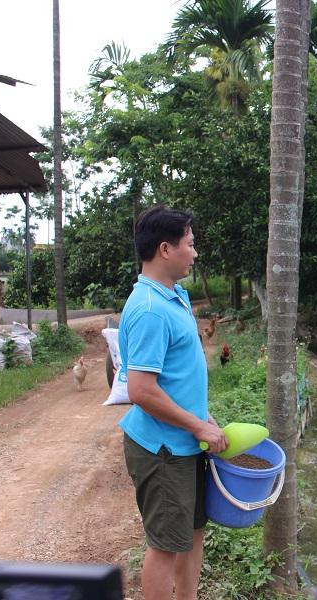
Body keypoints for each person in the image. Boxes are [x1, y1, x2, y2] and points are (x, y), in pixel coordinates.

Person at [118, 205, 227, 600]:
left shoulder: (173, 296)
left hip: (183, 442)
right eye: (190, 244)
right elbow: (141, 390)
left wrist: (203, 416)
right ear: (166, 249)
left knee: (192, 532)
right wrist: (197, 426)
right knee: (165, 545)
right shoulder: (149, 310)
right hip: (162, 449)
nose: (195, 254)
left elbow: (177, 376)